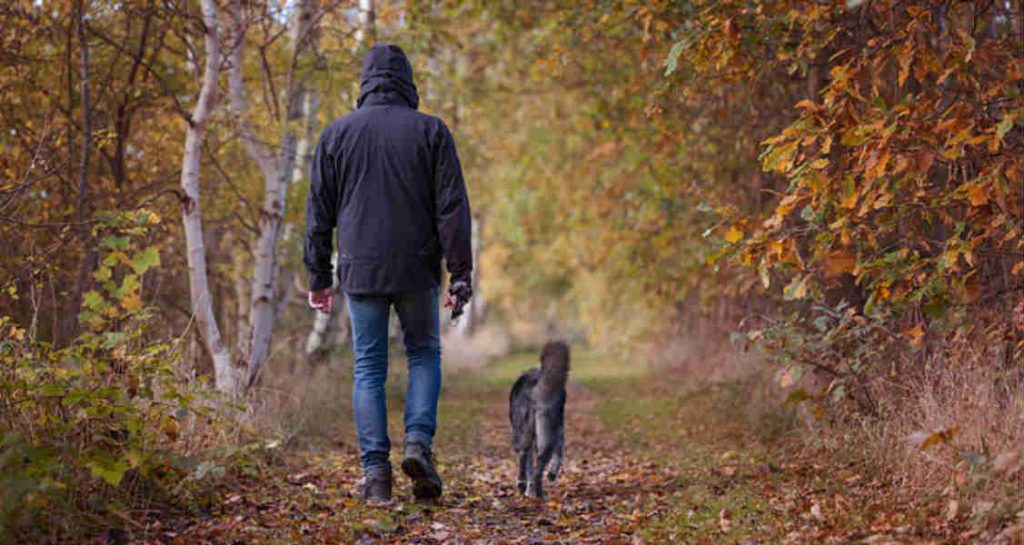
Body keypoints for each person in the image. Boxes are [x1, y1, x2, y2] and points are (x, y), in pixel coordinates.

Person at [303, 44, 472, 503]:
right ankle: (418, 443)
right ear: (408, 81)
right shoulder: (431, 131)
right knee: (423, 354)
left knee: (368, 368)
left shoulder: (336, 134)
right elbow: (452, 209)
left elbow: (318, 212)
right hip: (417, 266)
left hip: (360, 271)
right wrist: (460, 273)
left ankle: (376, 476)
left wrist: (319, 275)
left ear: (365, 82)